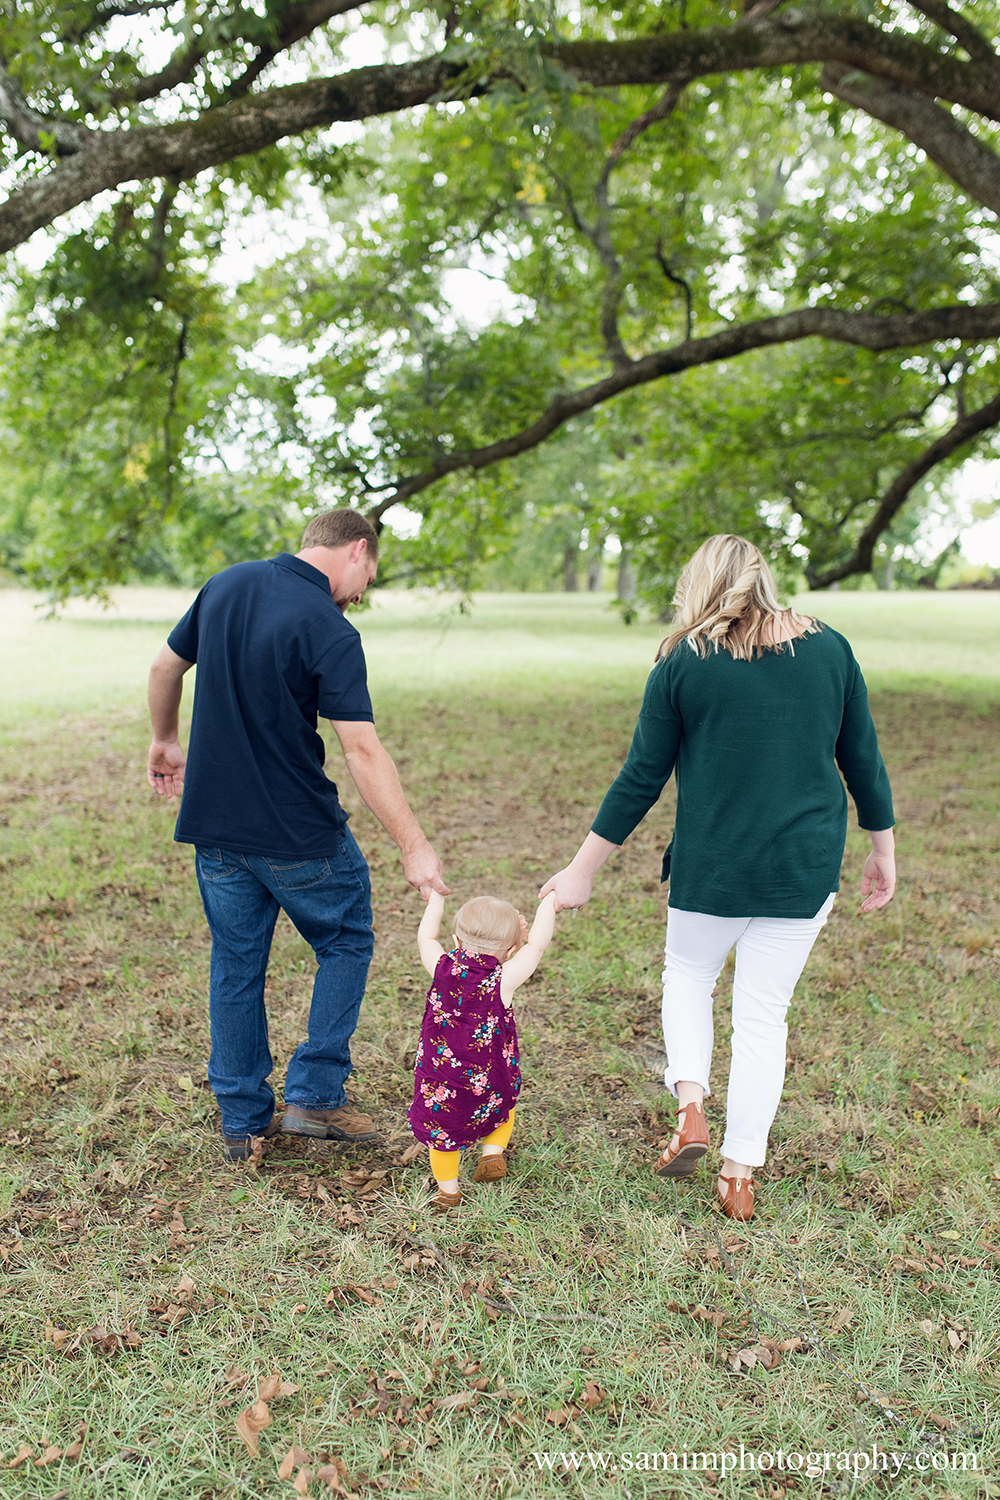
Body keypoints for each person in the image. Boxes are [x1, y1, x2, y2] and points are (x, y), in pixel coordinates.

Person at [540, 534, 895, 1221]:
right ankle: (738, 1176)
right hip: (803, 867)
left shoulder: (683, 662)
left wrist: (582, 870)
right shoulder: (831, 650)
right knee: (763, 1017)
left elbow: (641, 775)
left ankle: (692, 1106)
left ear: (699, 586)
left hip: (713, 868)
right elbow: (864, 760)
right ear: (763, 578)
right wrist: (883, 847)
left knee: (690, 978)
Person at [146, 509, 448, 1162]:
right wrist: (414, 845)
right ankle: (315, 1092)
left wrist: (165, 740)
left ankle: (242, 1124)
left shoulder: (225, 585)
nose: (364, 590)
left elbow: (164, 669)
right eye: (369, 574)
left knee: (235, 962)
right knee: (346, 938)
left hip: (215, 829)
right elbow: (362, 752)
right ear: (357, 551)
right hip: (297, 834)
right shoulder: (331, 630)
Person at [409, 890, 557, 1211]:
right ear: (511, 950)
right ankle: (492, 1154)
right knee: (503, 1106)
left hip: (442, 1080)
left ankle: (448, 1192)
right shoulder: (503, 978)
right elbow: (538, 945)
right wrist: (549, 905)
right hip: (489, 1075)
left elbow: (427, 936)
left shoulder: (440, 966)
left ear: (456, 940)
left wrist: (436, 902)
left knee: (442, 1132)